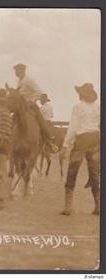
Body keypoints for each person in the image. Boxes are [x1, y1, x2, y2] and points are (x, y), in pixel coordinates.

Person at [59, 83, 100, 216]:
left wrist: (65, 146)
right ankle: (98, 206)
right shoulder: (97, 107)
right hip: (95, 140)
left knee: (72, 170)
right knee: (94, 173)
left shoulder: (77, 107)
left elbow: (73, 127)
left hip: (82, 140)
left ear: (81, 94)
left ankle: (68, 207)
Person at [6, 64, 58, 152]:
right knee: (11, 120)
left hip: (30, 105)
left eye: (17, 70)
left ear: (23, 71)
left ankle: (49, 141)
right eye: (15, 70)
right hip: (20, 107)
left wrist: (31, 101)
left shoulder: (29, 80)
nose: (16, 72)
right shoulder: (19, 81)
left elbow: (39, 92)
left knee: (40, 120)